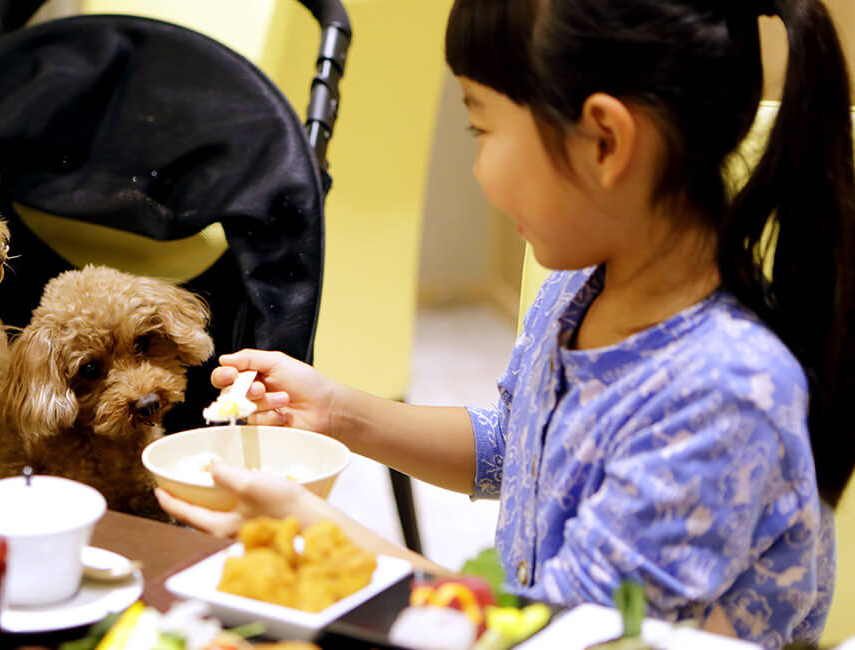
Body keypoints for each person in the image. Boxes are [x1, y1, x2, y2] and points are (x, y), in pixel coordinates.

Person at [155, 0, 855, 647]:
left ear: (605, 141)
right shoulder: (580, 288)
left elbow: (556, 634)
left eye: (481, 125)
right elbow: (518, 452)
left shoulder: (723, 394)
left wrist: (322, 541)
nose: (481, 171)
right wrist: (339, 413)